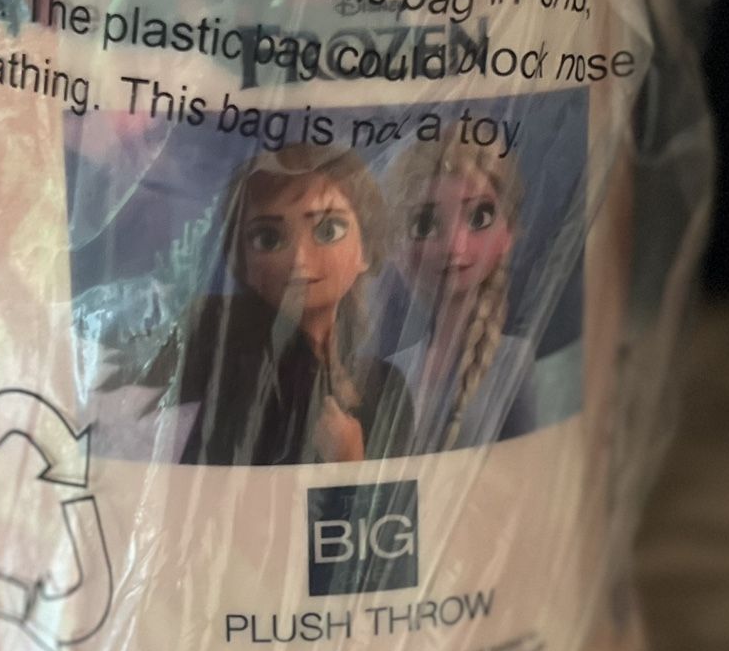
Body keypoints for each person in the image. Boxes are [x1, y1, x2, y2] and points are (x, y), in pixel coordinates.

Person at [107, 143, 414, 466]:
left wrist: (349, 460)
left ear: (366, 248)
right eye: (269, 239)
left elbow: (409, 493)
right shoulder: (227, 373)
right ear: (242, 261)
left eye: (328, 230)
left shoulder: (387, 388)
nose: (299, 260)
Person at [386, 135, 538, 452]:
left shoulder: (516, 362)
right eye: (425, 225)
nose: (454, 247)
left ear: (508, 232)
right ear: (399, 247)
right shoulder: (393, 370)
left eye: (478, 218)